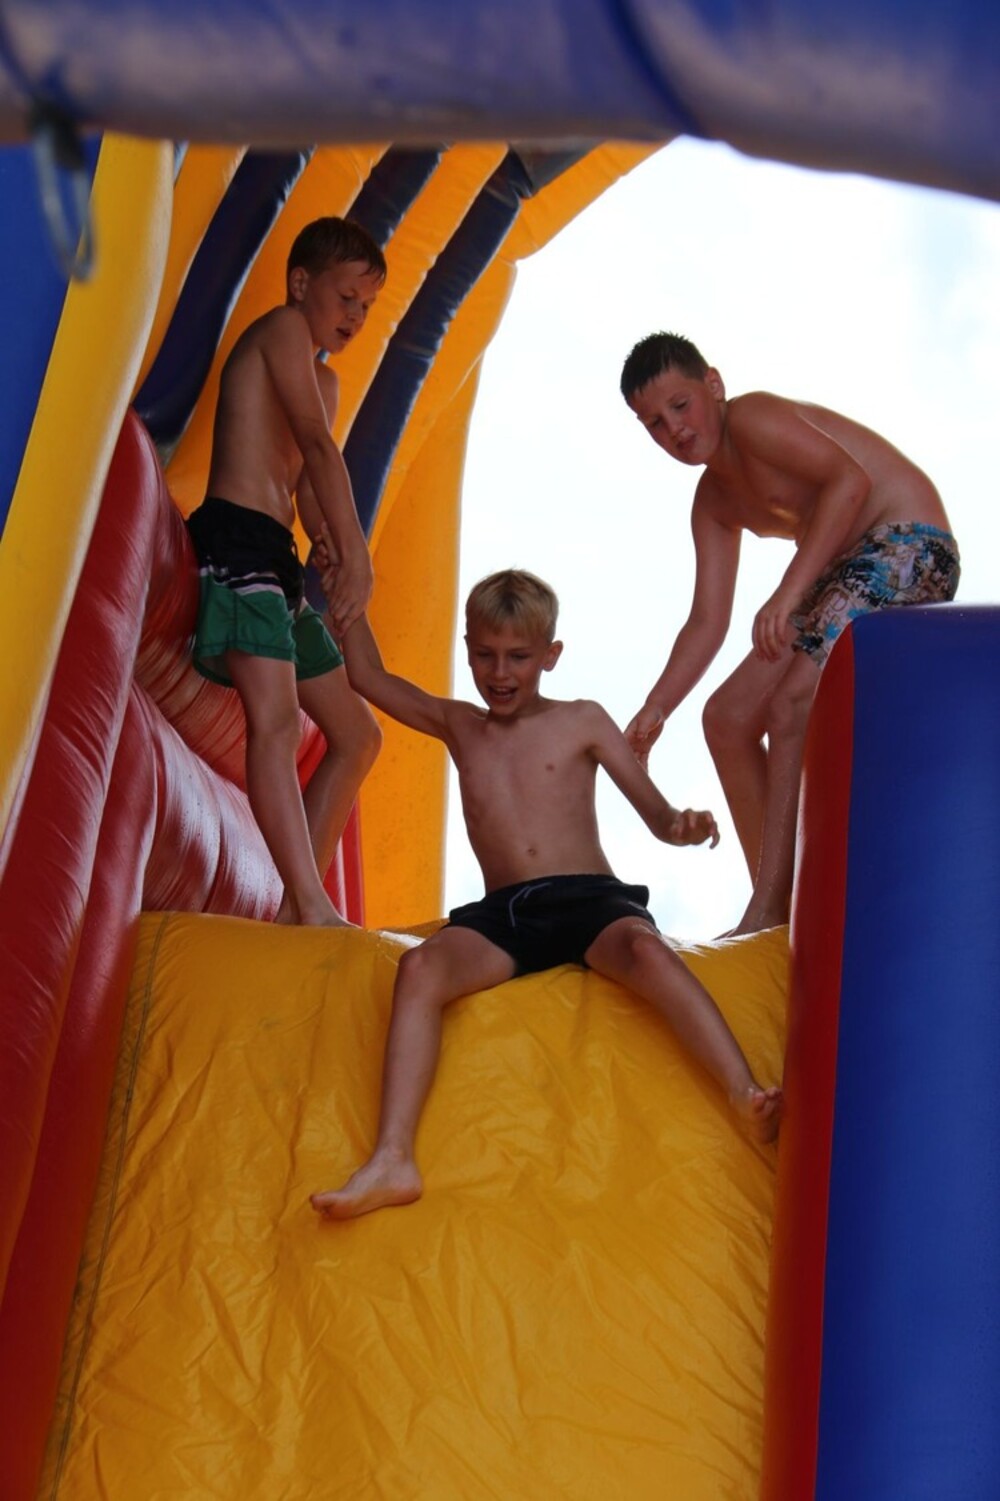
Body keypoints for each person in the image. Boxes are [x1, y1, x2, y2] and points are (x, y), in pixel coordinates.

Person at [311, 566, 783, 1222]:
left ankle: (744, 1090)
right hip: (505, 915)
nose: (499, 672)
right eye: (484, 655)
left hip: (590, 902)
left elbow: (654, 813)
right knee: (418, 968)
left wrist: (682, 824)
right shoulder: (460, 724)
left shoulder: (582, 720)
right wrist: (349, 592)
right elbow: (368, 676)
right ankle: (393, 1158)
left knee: (645, 952)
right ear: (467, 648)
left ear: (550, 655)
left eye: (519, 657)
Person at [620, 332, 960, 935]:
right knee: (726, 717)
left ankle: (770, 906)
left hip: (908, 542)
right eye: (653, 424)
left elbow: (850, 481)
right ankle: (782, 906)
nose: (674, 429)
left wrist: (787, 592)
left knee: (790, 702)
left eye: (680, 405)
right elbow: (707, 620)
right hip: (839, 571)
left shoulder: (753, 418)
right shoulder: (712, 502)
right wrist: (657, 706)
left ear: (714, 385)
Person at [186, 217, 386, 926]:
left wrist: (326, 536)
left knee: (358, 735)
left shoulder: (324, 381)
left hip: (275, 556)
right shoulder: (281, 329)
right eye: (347, 297)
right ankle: (308, 901)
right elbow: (317, 447)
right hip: (236, 542)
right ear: (302, 284)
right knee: (273, 722)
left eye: (368, 305)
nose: (356, 315)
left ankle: (294, 910)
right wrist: (356, 553)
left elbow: (304, 482)